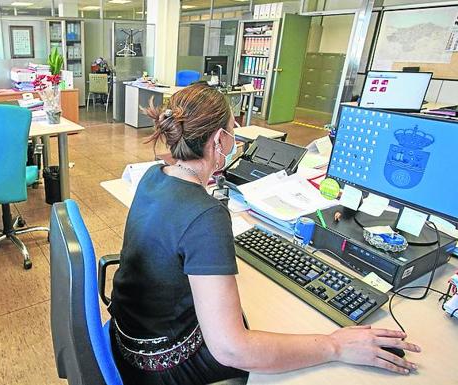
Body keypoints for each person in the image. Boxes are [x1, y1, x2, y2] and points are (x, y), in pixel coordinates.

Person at [107, 83, 420, 385]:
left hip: (128, 343)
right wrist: (334, 345)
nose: (235, 142)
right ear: (218, 140)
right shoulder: (206, 215)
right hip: (165, 368)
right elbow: (232, 349)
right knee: (288, 357)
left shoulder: (153, 175)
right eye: (234, 131)